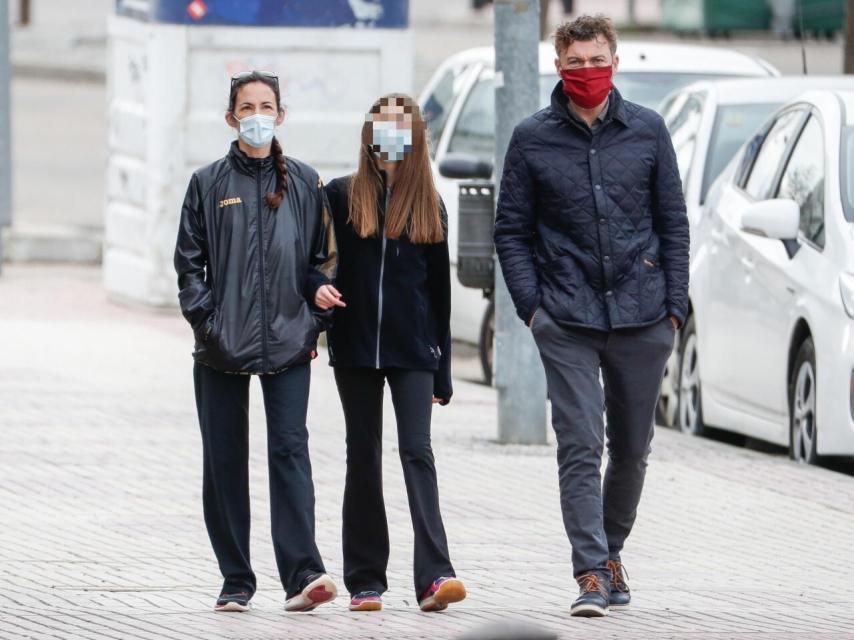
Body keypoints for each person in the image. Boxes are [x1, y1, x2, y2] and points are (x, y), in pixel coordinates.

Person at [494, 15, 689, 617]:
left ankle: (611, 553)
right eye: (575, 62)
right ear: (559, 66)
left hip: (642, 315)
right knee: (581, 442)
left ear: (614, 61)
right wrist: (533, 309)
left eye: (595, 60)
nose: (586, 72)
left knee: (630, 449)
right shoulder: (532, 137)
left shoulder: (648, 131)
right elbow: (511, 230)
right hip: (567, 317)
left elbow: (674, 225)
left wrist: (675, 310)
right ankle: (589, 573)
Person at [174, 70, 340, 613]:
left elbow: (324, 260)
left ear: (281, 114)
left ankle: (304, 574)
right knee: (224, 460)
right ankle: (236, 580)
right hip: (221, 347)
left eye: (266, 105)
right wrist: (207, 323)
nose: (256, 115)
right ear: (230, 117)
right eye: (246, 106)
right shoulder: (207, 184)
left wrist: (313, 316)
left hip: (289, 343)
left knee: (290, 451)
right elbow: (188, 262)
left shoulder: (307, 184)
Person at [322, 94, 466, 613]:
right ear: (368, 133)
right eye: (381, 126)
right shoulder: (340, 196)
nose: (390, 136)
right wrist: (320, 310)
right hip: (356, 348)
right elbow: (320, 264)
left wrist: (442, 372)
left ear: (416, 136)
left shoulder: (431, 205)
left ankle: (435, 575)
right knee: (362, 456)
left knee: (416, 452)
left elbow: (440, 298)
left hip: (413, 352)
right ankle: (365, 579)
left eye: (401, 127)